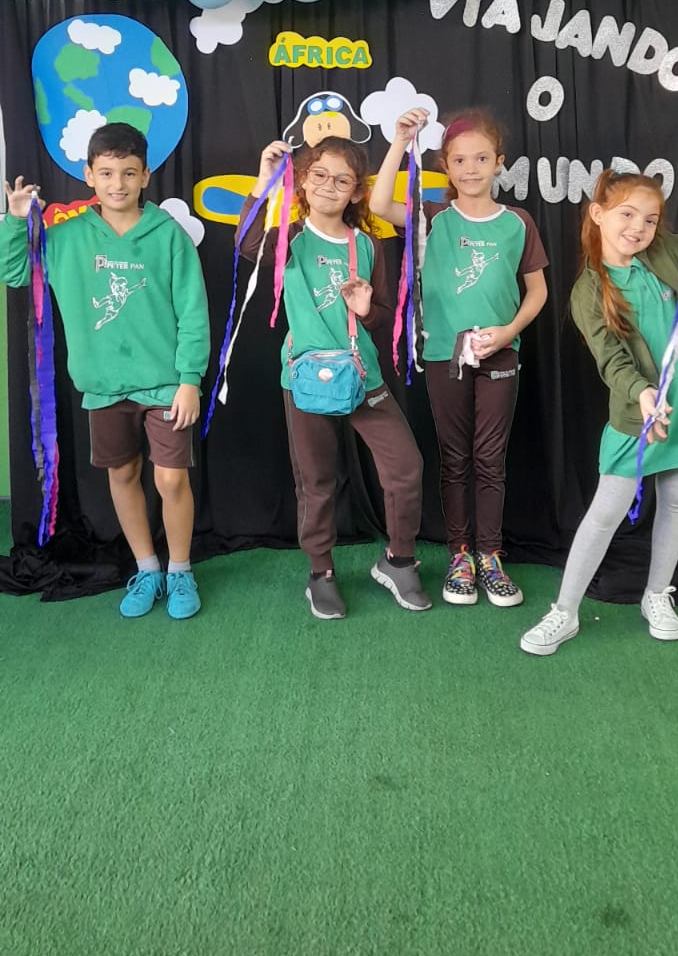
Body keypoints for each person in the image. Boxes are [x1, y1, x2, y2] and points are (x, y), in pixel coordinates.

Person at [0, 122, 210, 620]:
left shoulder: (168, 236)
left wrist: (189, 380)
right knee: (123, 473)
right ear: (89, 175)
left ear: (146, 176)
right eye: (108, 172)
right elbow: (15, 272)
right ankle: (148, 568)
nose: (119, 183)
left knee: (171, 480)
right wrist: (15, 220)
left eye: (129, 173)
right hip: (103, 385)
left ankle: (180, 570)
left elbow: (193, 311)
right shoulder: (66, 237)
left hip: (165, 385)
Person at [520, 142, 678, 655]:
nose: (639, 227)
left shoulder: (667, 252)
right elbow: (612, 360)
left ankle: (657, 594)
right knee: (606, 511)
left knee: (675, 500)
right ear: (598, 214)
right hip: (641, 413)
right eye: (627, 214)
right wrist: (643, 392)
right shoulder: (590, 291)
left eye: (650, 220)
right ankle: (564, 611)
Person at [236, 134, 430, 620]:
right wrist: (262, 182)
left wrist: (366, 311)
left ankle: (399, 560)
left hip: (362, 376)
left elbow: (382, 314)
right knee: (316, 480)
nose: (328, 186)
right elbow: (247, 246)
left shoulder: (366, 244)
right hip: (306, 379)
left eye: (342, 180)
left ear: (357, 191)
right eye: (319, 175)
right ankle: (320, 571)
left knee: (405, 467)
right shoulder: (290, 239)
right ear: (303, 181)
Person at [370, 108, 548, 608]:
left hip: (501, 355)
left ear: (499, 162)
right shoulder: (432, 219)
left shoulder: (518, 223)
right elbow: (379, 203)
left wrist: (508, 331)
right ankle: (460, 556)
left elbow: (537, 291)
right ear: (445, 166)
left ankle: (490, 556)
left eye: (482, 159)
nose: (471, 169)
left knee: (490, 459)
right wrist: (400, 140)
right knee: (455, 458)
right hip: (443, 356)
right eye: (460, 160)